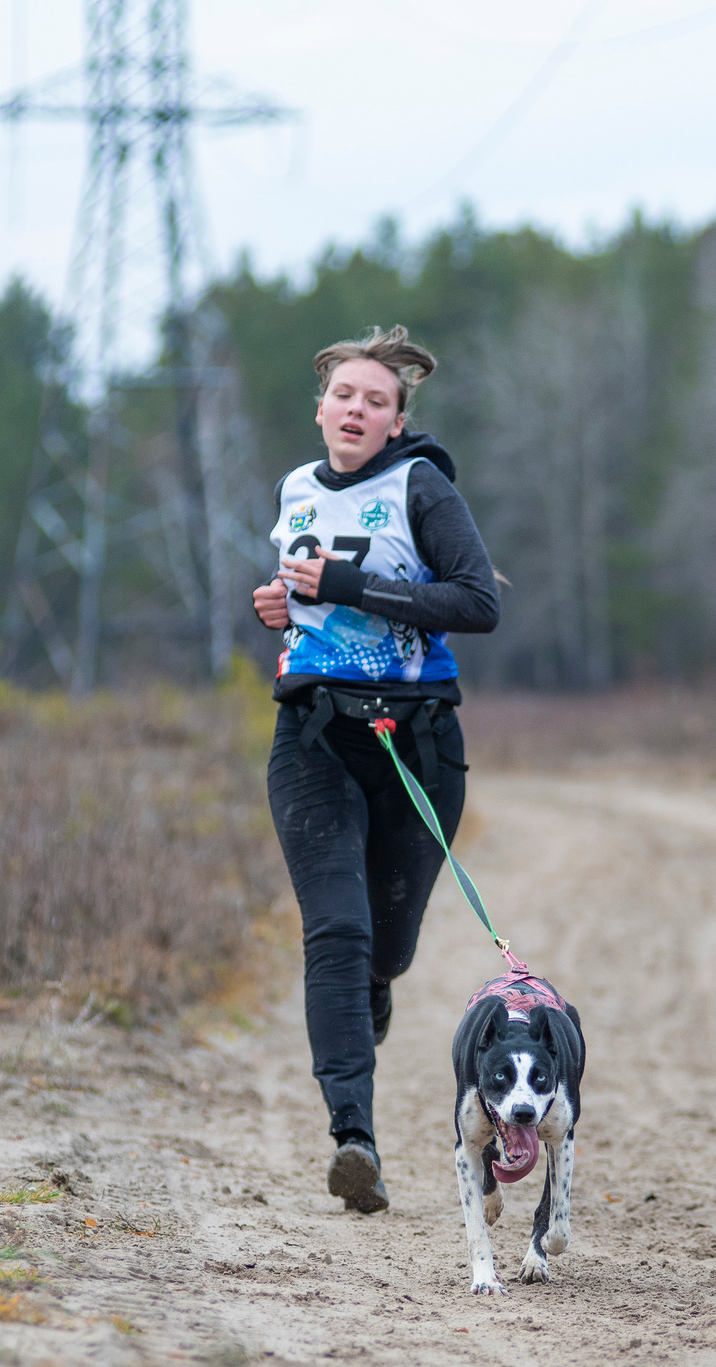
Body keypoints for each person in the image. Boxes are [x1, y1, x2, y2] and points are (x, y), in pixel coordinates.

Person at [251, 325, 500, 1214]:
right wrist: (278, 606)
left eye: (375, 400)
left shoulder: (419, 486)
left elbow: (477, 602)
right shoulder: (294, 491)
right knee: (338, 930)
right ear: (320, 410)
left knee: (385, 947)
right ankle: (352, 1135)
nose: (356, 409)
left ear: (396, 423)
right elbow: (305, 603)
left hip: (419, 746)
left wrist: (342, 590)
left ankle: (375, 993)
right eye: (343, 396)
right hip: (315, 736)